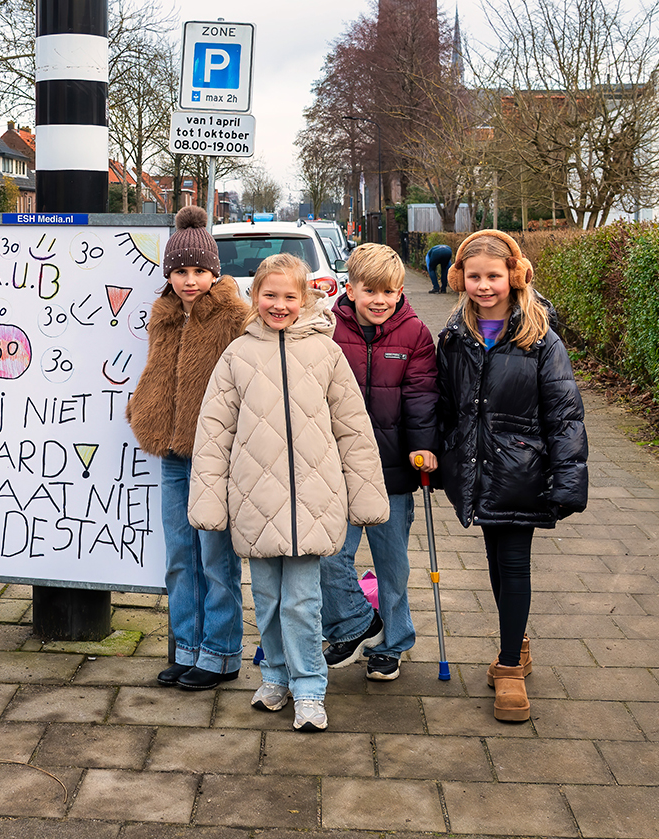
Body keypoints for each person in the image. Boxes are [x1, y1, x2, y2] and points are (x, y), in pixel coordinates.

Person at [189, 253, 389, 731]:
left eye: (289, 296)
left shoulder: (326, 353)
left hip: (313, 502)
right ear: (254, 297)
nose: (279, 305)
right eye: (269, 295)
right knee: (268, 599)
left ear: (306, 299)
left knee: (304, 600)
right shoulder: (236, 355)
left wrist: (364, 496)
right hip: (256, 502)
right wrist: (209, 500)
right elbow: (214, 433)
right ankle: (275, 675)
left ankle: (310, 688)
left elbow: (353, 429)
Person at [437, 229, 588, 722]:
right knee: (496, 560)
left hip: (524, 468)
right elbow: (443, 404)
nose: (484, 286)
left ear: (515, 276)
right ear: (459, 278)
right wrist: (439, 453)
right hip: (478, 469)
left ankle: (507, 669)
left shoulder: (540, 338)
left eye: (494, 276)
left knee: (515, 560)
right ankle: (515, 640)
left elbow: (565, 414)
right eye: (474, 276)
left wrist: (568, 478)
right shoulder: (455, 336)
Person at [125, 205, 249, 690]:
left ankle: (221, 652)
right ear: (169, 274)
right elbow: (158, 369)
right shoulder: (165, 314)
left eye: (199, 271)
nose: (190, 280)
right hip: (172, 451)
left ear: (214, 272)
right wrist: (142, 406)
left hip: (216, 453)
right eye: (180, 271)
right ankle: (188, 646)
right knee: (181, 554)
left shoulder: (235, 316)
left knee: (216, 557)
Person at [319, 243, 438, 681]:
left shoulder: (414, 333)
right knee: (330, 557)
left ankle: (394, 643)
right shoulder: (326, 328)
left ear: (401, 289)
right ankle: (352, 623)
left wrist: (423, 446)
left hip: (393, 470)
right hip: (337, 469)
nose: (379, 300)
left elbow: (422, 395)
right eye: (369, 290)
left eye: (389, 291)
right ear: (349, 289)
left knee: (393, 564)